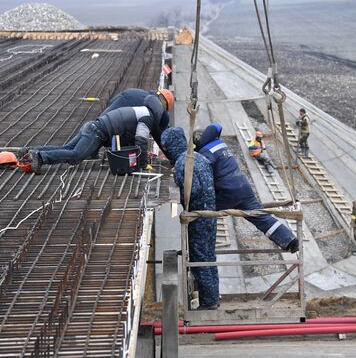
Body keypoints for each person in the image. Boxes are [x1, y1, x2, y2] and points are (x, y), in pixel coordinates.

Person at [193, 123, 298, 252]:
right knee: (261, 216)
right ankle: (289, 241)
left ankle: (201, 248)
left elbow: (202, 175)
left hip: (228, 191)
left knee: (201, 212)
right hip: (244, 187)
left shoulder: (205, 152)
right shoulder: (220, 143)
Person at [25, 92, 172, 175]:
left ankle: (32, 152)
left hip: (94, 126)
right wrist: (144, 164)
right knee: (76, 156)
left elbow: (130, 136)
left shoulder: (142, 108)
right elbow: (140, 139)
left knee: (68, 149)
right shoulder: (148, 117)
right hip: (97, 132)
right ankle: (40, 157)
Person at [161, 127, 219, 310]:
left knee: (198, 258)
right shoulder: (198, 156)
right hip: (210, 214)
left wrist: (179, 197)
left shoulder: (182, 162)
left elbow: (192, 190)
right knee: (209, 256)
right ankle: (213, 296)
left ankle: (209, 302)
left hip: (198, 217)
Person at [103, 88, 174, 115]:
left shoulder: (142, 93)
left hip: (107, 116)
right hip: (115, 122)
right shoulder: (152, 107)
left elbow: (111, 102)